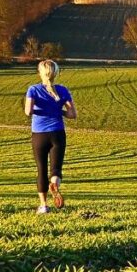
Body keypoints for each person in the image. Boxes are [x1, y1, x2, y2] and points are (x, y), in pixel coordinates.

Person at [24, 60, 77, 213]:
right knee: (56, 169)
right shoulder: (63, 90)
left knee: (41, 170)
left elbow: (28, 112)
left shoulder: (33, 89)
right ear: (56, 73)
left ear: (40, 73)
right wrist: (58, 111)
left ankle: (43, 206)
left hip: (39, 134)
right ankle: (54, 183)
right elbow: (72, 114)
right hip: (58, 133)